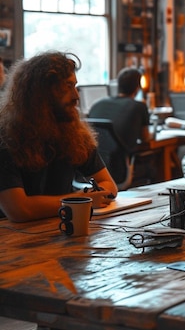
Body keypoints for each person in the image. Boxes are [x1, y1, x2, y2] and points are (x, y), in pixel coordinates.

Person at [0, 51, 117, 222]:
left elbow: (109, 186)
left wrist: (82, 199)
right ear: (43, 93)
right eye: (68, 87)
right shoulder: (6, 137)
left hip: (59, 228)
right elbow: (19, 210)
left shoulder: (72, 132)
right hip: (11, 239)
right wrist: (81, 200)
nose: (76, 96)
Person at [89, 67, 152, 150]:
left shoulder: (97, 104)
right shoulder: (139, 106)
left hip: (97, 158)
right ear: (137, 88)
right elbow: (145, 138)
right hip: (119, 159)